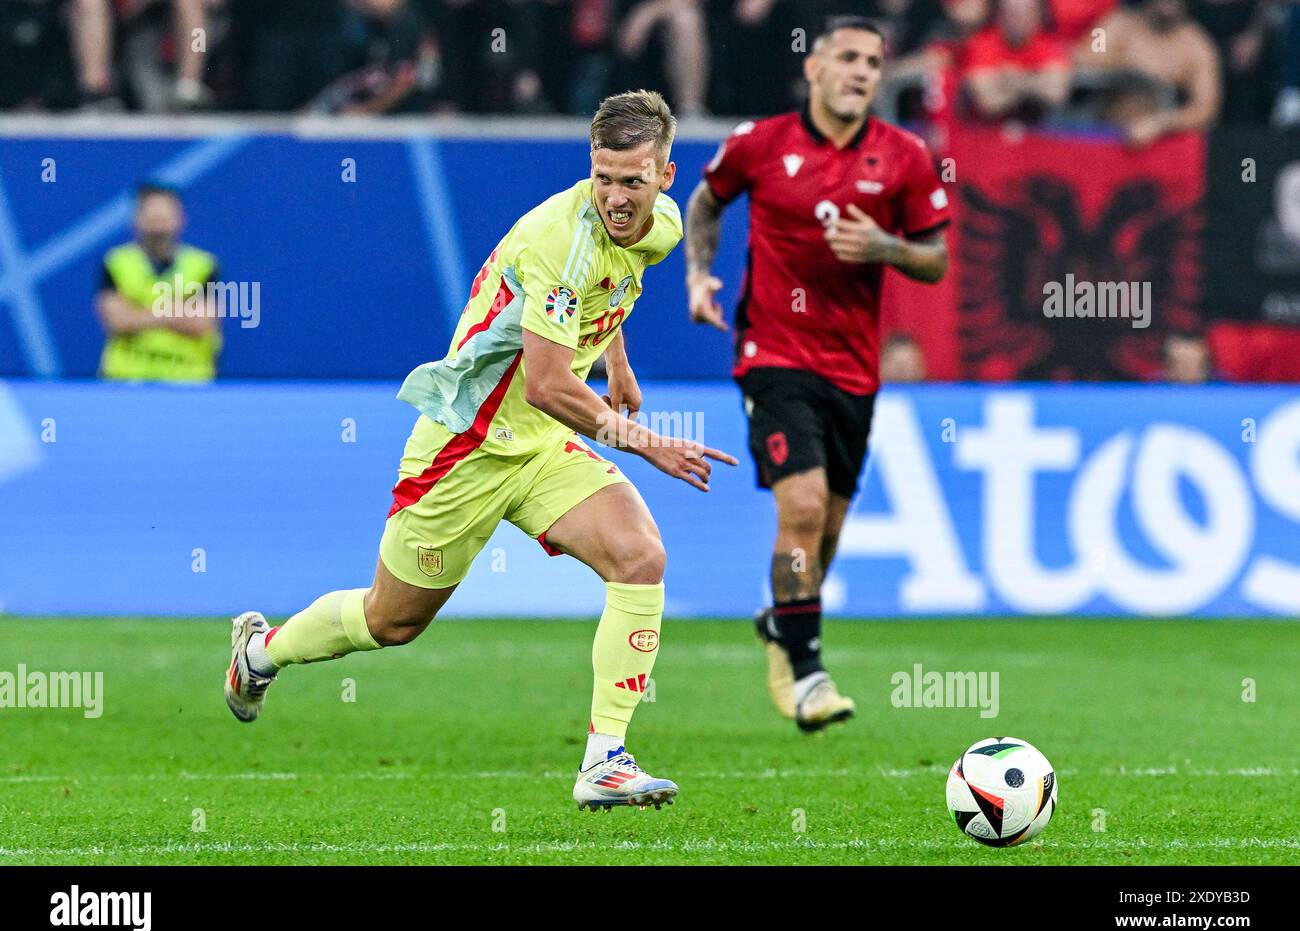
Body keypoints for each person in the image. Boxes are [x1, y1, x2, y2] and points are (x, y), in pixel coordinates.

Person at [224, 90, 737, 812]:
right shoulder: (559, 242)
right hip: (467, 446)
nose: (617, 198)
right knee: (390, 620)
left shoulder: (660, 227)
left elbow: (611, 291)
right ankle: (260, 651)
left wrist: (618, 362)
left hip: (542, 446)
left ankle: (604, 758)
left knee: (640, 555)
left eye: (633, 180)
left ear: (666, 177)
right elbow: (553, 383)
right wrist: (650, 445)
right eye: (603, 177)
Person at [684, 16, 949, 732]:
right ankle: (807, 672)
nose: (864, 71)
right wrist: (700, 275)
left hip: (854, 369)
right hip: (773, 354)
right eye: (850, 57)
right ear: (815, 68)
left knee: (826, 528)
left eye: (874, 61)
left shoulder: (905, 157)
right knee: (799, 508)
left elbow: (936, 258)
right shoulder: (760, 143)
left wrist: (886, 245)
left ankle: (783, 621)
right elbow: (705, 201)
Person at [96, 183, 222, 382]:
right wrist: (177, 311)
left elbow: (201, 322)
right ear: (137, 219)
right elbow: (119, 321)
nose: (158, 225)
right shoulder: (116, 262)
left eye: (164, 216)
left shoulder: (204, 265)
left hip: (189, 380)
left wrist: (139, 312)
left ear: (180, 218)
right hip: (125, 380)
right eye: (152, 216)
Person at [1073, 0, 1221, 146]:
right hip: (1101, 134)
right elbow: (1083, 56)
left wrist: (1159, 124)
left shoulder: (1197, 47)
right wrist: (1129, 64)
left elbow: (1206, 110)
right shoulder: (1117, 23)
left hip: (1157, 145)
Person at [960, 0, 1072, 123]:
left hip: (1035, 128)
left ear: (1039, 15)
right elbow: (989, 102)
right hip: (986, 129)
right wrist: (1036, 83)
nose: (1019, 19)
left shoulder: (1049, 44)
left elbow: (1056, 93)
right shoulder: (981, 44)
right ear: (999, 14)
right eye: (1012, 13)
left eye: (1026, 12)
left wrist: (1015, 81)